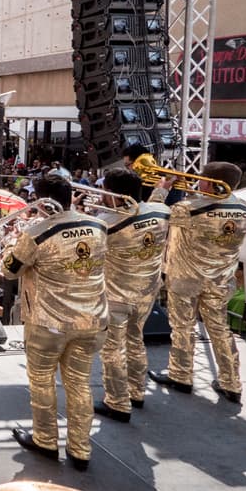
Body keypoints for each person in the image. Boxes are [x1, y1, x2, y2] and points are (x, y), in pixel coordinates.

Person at [2, 172, 107, 471]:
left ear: (42, 201)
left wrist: (12, 244)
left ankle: (46, 440)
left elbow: (9, 270)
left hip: (48, 321)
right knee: (79, 383)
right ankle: (81, 448)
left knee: (42, 381)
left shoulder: (36, 233)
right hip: (90, 318)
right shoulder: (99, 225)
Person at [148, 162, 246, 404]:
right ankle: (231, 383)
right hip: (221, 280)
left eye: (202, 179)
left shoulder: (187, 209)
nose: (198, 182)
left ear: (209, 182)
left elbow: (153, 216)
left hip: (186, 279)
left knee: (183, 327)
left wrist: (161, 189)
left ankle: (181, 375)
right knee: (220, 329)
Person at [93, 168, 170, 423]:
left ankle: (117, 402)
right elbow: (154, 204)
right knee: (136, 340)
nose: (101, 196)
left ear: (113, 194)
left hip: (115, 295)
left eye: (105, 191)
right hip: (146, 291)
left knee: (113, 349)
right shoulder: (161, 212)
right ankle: (137, 392)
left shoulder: (105, 222)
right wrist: (161, 190)